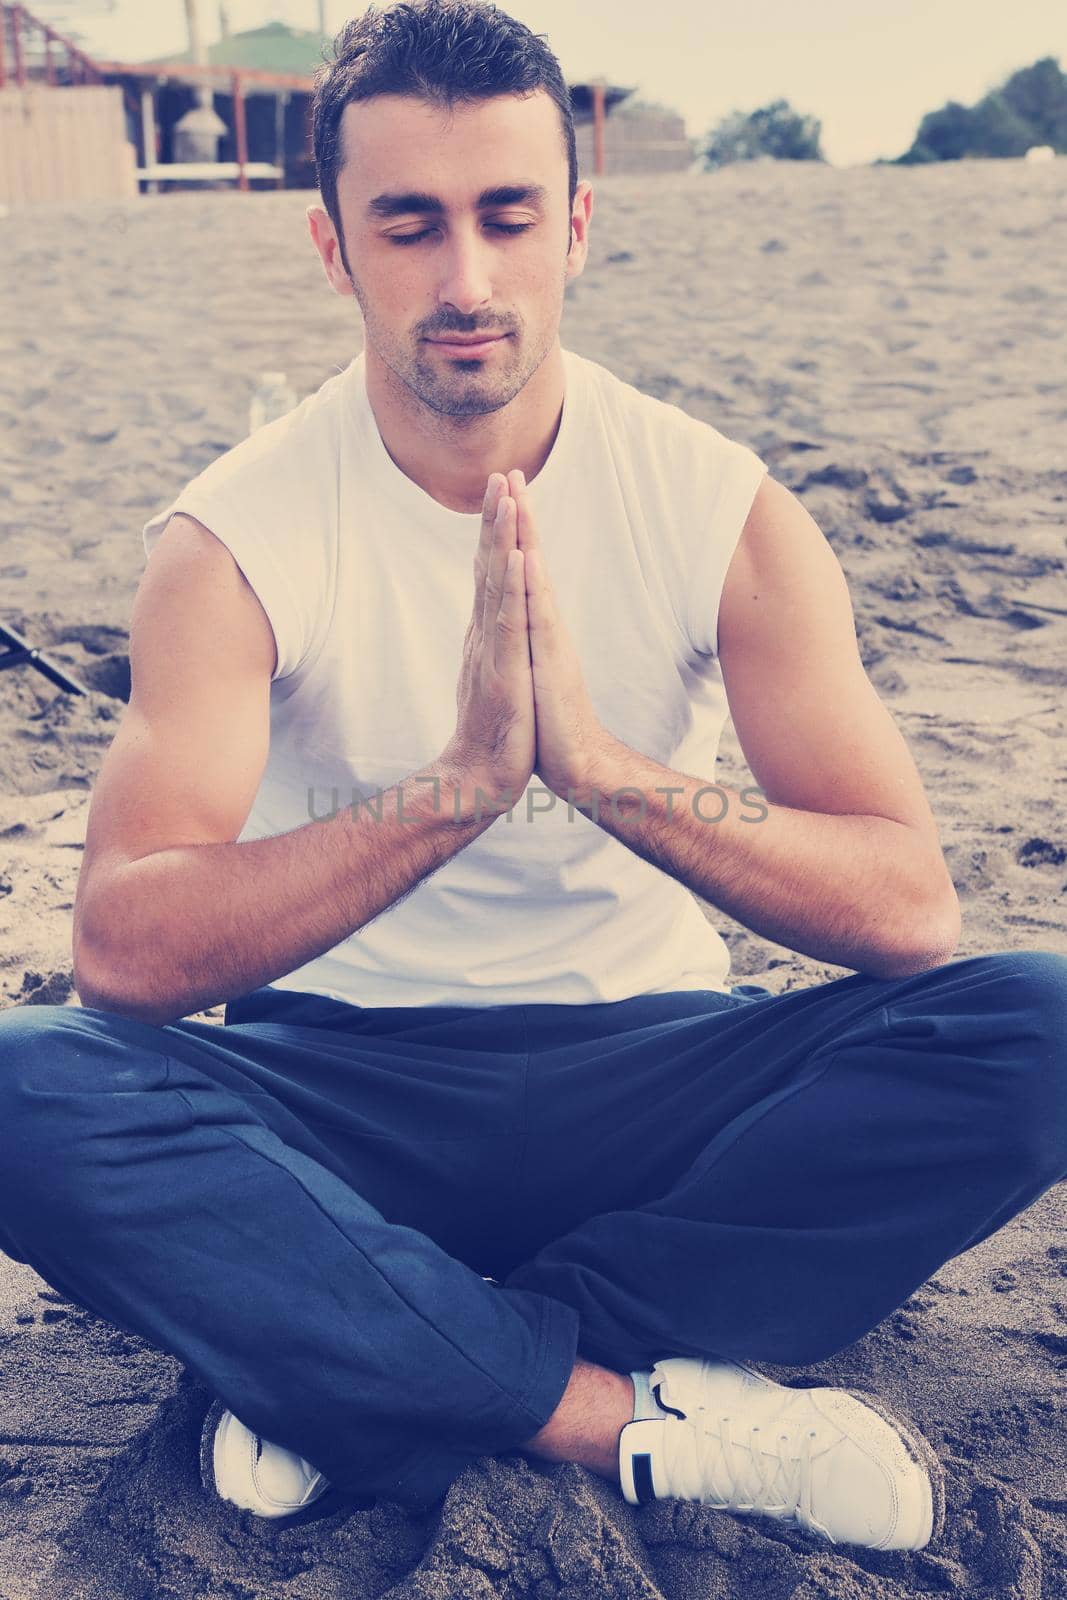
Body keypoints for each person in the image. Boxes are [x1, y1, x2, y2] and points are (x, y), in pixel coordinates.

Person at [1, 0, 1064, 1552]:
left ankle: (349, 1350)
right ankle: (616, 1412)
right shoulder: (232, 538)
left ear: (576, 225)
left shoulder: (722, 510)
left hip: (652, 1083)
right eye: (411, 225)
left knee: (1040, 1023)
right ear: (334, 248)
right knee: (25, 1083)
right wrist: (455, 791)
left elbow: (910, 911)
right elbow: (126, 954)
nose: (467, 279)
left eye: (507, 216)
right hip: (338, 1096)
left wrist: (605, 773)